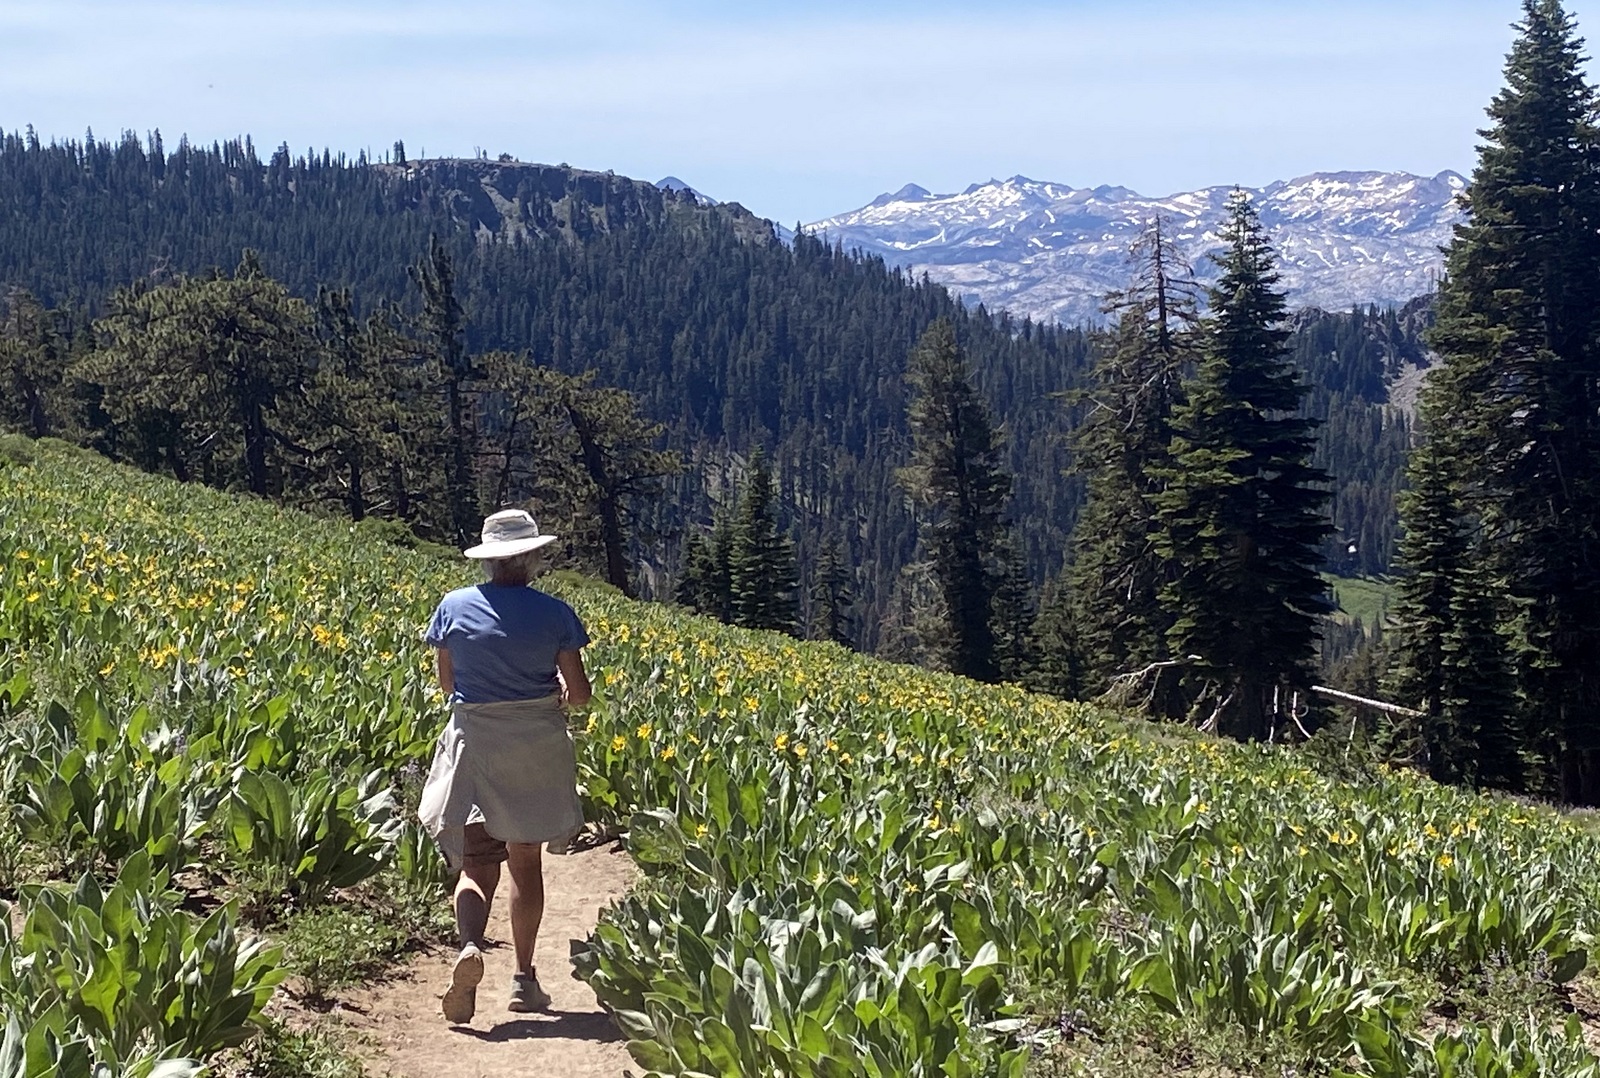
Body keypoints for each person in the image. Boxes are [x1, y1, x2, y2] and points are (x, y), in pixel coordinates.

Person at [417, 509, 593, 1025]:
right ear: (533, 557)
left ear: (489, 560)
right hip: (534, 746)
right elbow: (579, 695)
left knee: (476, 864)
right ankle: (523, 978)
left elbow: (449, 687)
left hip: (476, 745)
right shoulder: (557, 613)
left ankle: (470, 946)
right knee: (525, 862)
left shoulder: (453, 607)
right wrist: (556, 695)